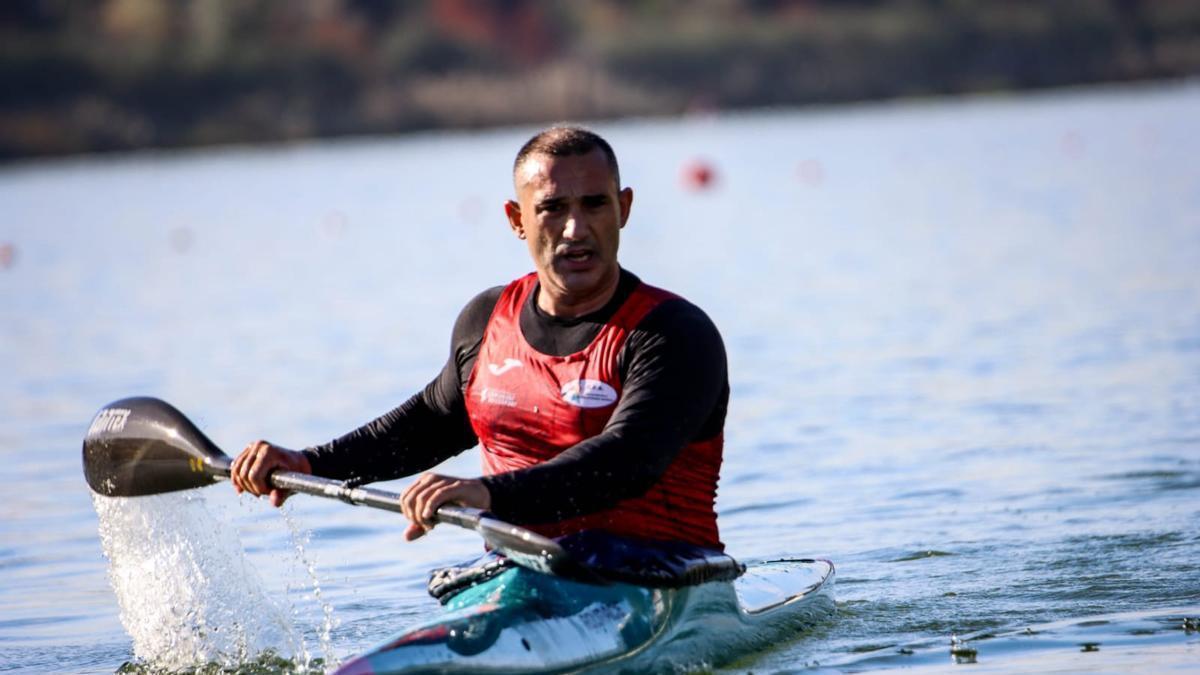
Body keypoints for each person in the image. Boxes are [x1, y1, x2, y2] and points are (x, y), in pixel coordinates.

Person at [230, 126, 729, 552]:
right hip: (518, 575)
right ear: (517, 220)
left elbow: (628, 462)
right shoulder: (488, 320)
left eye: (594, 204)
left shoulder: (674, 334)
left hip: (660, 577)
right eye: (552, 208)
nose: (576, 228)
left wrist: (487, 494)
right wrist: (309, 462)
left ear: (623, 208)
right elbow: (427, 426)